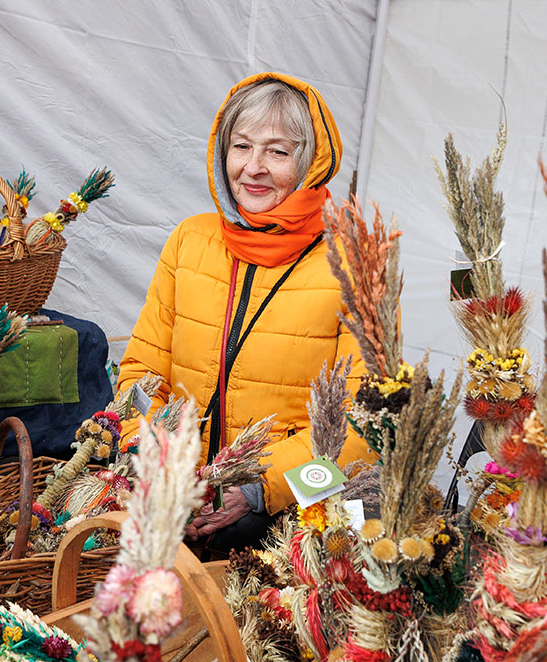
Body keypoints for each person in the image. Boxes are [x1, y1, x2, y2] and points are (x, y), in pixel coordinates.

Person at [114, 72, 378, 553]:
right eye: (241, 146)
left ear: (311, 162)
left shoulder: (353, 261)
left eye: (277, 151)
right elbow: (139, 378)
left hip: (288, 517)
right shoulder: (189, 241)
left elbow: (366, 424)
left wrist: (257, 491)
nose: (253, 167)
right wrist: (164, 465)